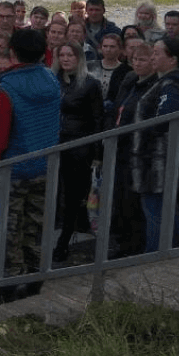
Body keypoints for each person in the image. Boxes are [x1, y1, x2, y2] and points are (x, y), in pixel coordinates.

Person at [0, 29, 62, 306]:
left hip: (14, 170)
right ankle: (35, 278)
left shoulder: (7, 91)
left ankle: (8, 285)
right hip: (44, 166)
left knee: (9, 231)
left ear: (12, 53)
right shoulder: (50, 78)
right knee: (37, 225)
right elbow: (17, 78)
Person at [132, 37, 179, 252]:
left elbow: (164, 120)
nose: (153, 57)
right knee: (162, 211)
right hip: (156, 160)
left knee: (158, 213)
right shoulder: (164, 82)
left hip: (159, 162)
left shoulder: (172, 85)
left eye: (157, 53)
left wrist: (146, 131)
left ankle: (157, 257)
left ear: (173, 59)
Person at [53, 42, 103, 262]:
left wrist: (96, 153)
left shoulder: (90, 84)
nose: (65, 59)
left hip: (78, 145)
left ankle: (64, 240)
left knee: (73, 194)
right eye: (62, 54)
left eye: (70, 55)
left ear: (79, 58)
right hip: (55, 142)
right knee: (55, 192)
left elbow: (97, 119)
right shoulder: (53, 80)